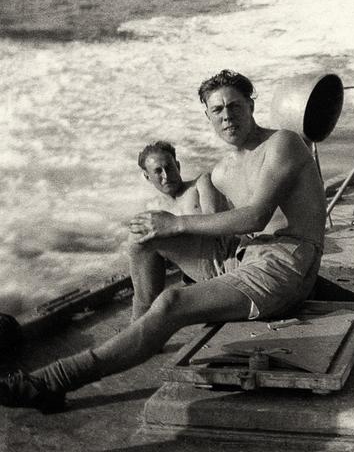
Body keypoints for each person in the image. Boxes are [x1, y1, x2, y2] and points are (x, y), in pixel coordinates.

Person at [0, 70, 326, 411]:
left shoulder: (283, 143)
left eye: (234, 106)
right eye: (217, 110)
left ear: (251, 106)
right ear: (208, 116)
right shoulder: (222, 172)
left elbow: (256, 216)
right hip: (242, 257)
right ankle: (141, 331)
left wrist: (179, 224)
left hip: (286, 266)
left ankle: (51, 381)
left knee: (172, 301)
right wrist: (170, 230)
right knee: (144, 234)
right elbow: (228, 227)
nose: (227, 116)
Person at [129, 140, 232, 321]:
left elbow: (215, 223)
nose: (166, 175)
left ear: (178, 166)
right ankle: (142, 320)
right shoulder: (157, 209)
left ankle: (139, 323)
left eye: (169, 167)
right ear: (147, 177)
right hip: (201, 273)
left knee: (143, 235)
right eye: (158, 171)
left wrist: (174, 227)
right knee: (140, 231)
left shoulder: (201, 183)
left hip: (225, 260)